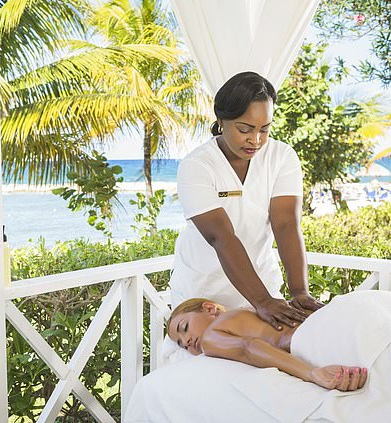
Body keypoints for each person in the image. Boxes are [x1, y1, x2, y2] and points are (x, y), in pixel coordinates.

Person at [171, 71, 323, 330]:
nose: (256, 140)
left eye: (264, 129)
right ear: (221, 120)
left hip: (263, 289)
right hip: (203, 297)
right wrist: (262, 301)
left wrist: (298, 292)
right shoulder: (197, 166)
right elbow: (221, 236)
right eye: (245, 129)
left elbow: (285, 224)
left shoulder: (282, 157)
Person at [166, 291, 391, 391]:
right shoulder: (247, 313)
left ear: (209, 308)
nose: (186, 342)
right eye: (180, 344)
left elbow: (249, 347)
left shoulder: (210, 339)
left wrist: (312, 373)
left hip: (317, 333)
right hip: (344, 310)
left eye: (183, 328)